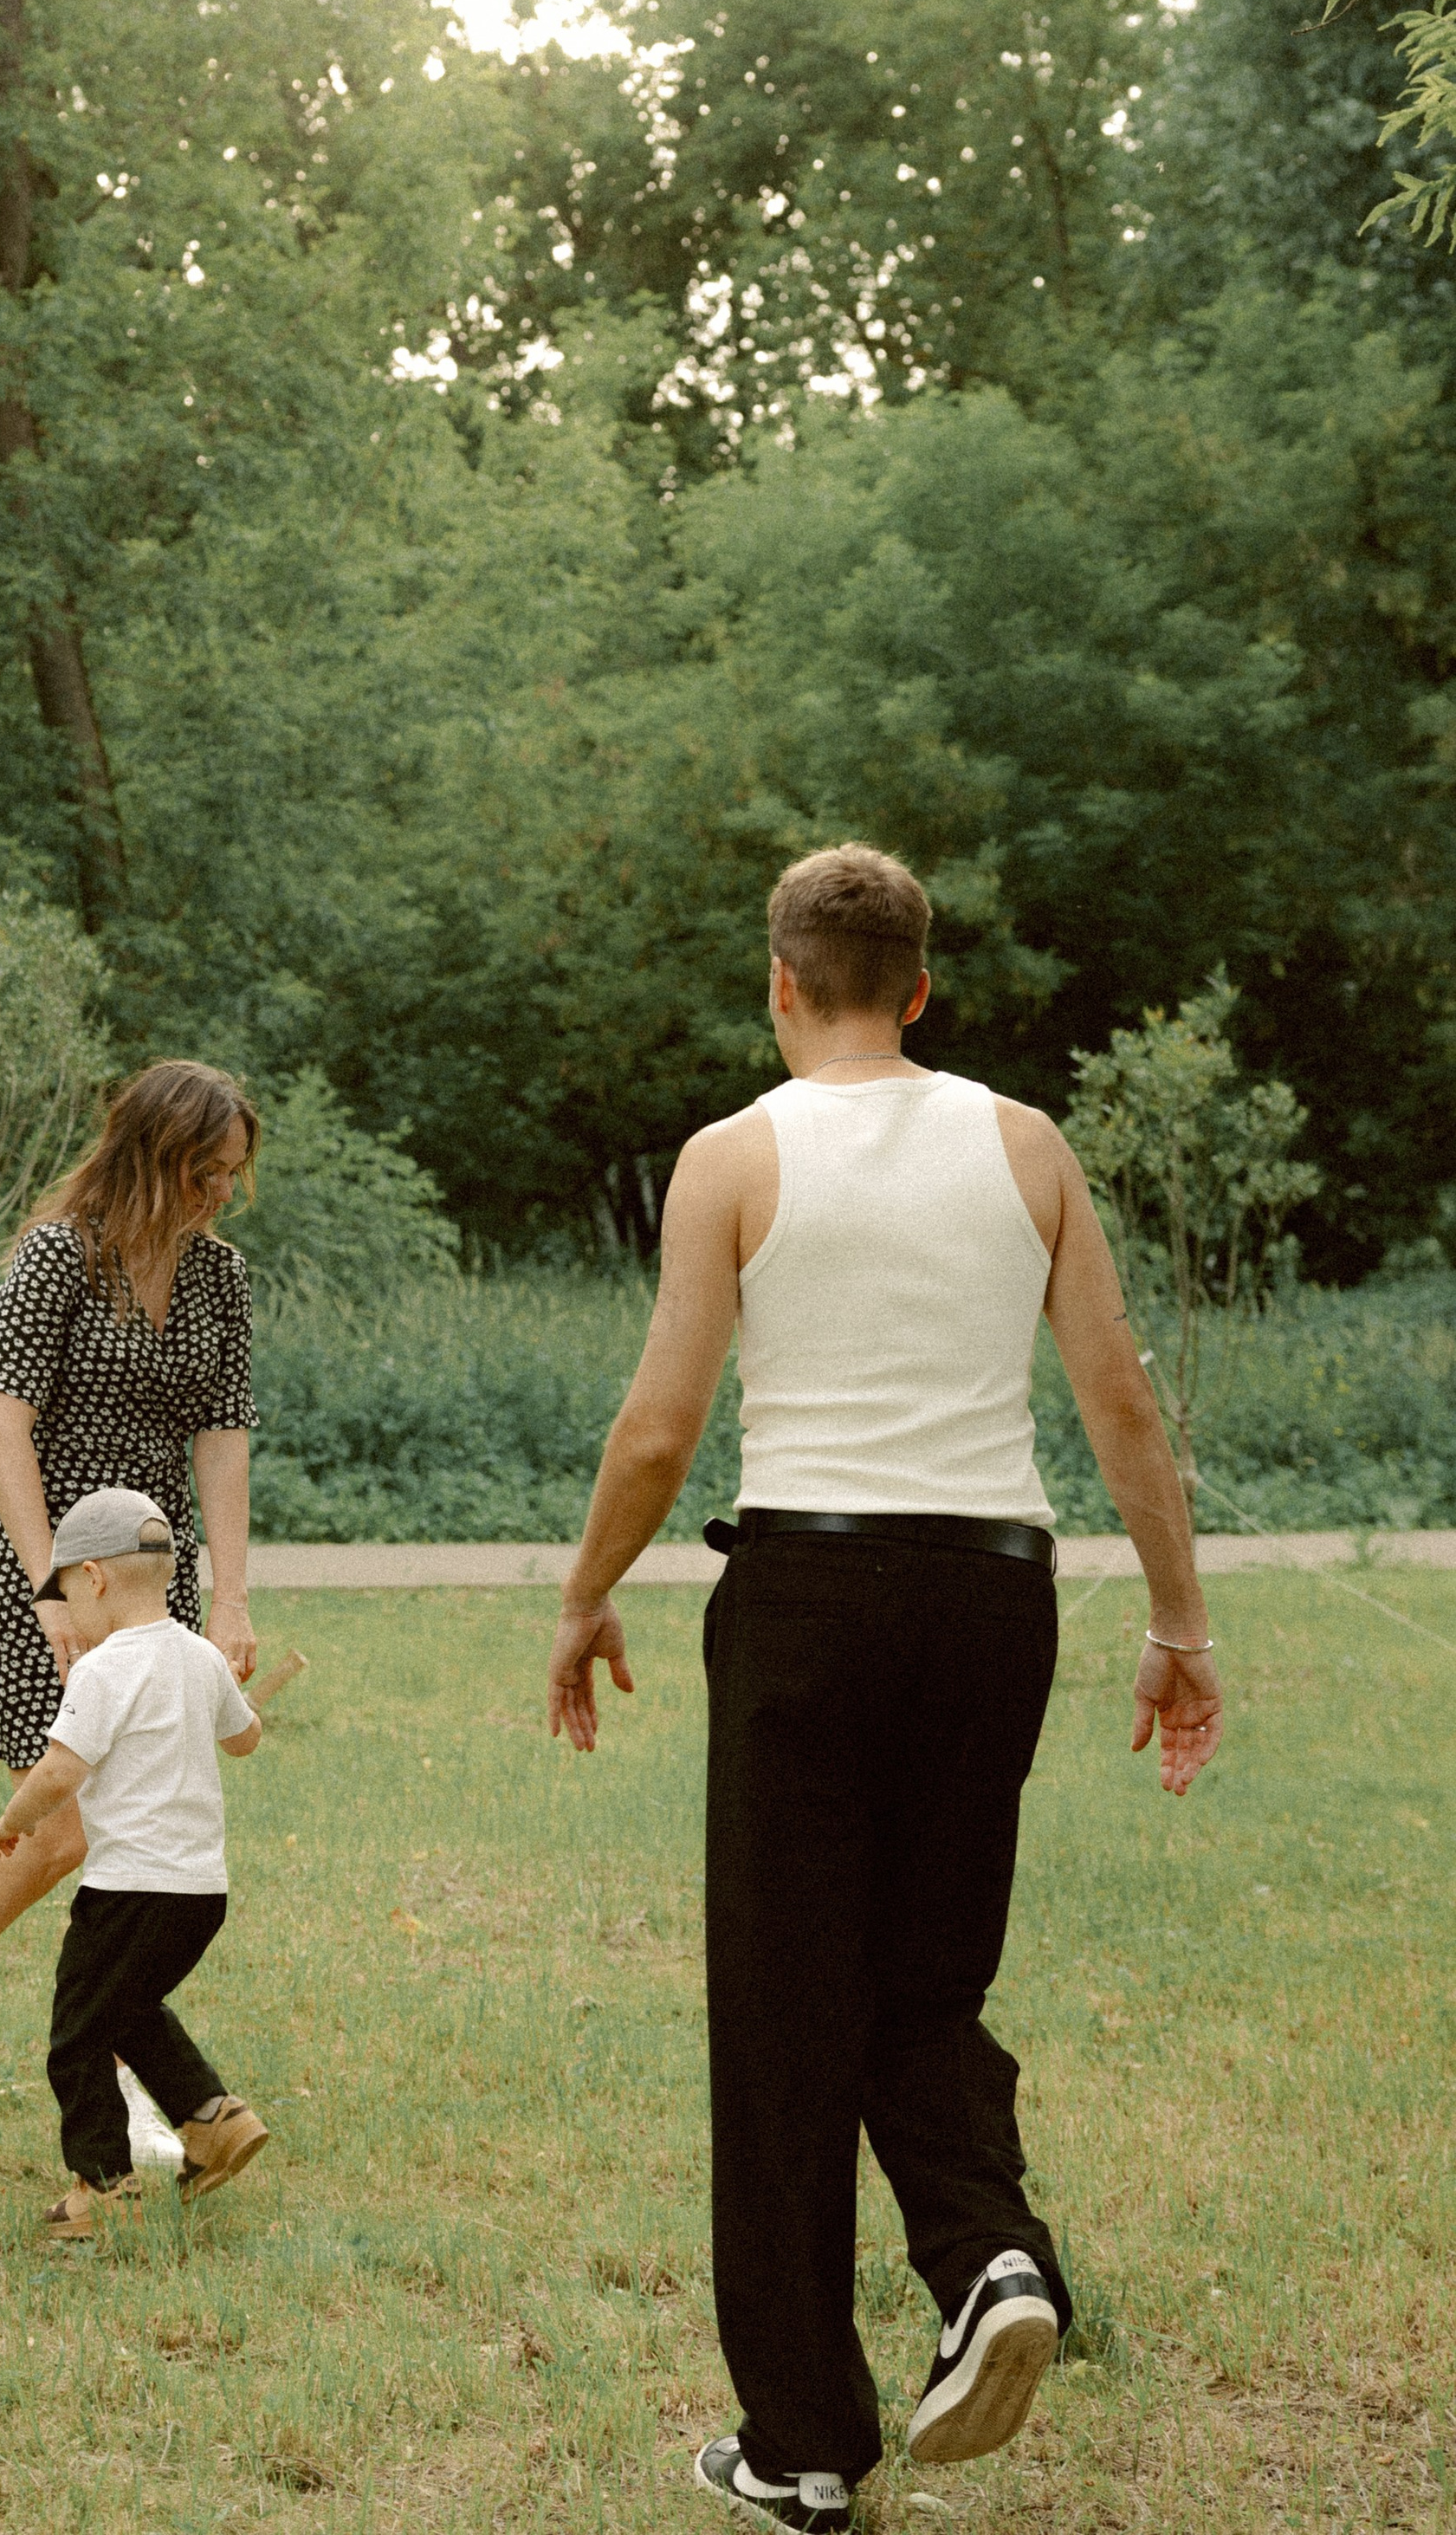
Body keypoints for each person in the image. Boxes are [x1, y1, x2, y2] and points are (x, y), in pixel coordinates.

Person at [545, 846, 1224, 2532]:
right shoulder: (1027, 1145)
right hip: (992, 1594)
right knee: (927, 1978)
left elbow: (659, 1427)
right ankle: (989, 2259)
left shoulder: (730, 1158)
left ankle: (801, 2446)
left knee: (784, 2013)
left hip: (807, 1591)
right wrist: (1177, 1621)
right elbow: (1119, 1401)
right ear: (919, 988)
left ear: (780, 983)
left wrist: (584, 1594)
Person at [0, 1060, 262, 2138]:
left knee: (136, 1839)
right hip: (52, 1578)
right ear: (152, 1156)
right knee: (61, 1836)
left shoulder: (219, 1277)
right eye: (205, 1171)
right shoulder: (58, 1257)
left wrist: (230, 1598)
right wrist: (48, 1591)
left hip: (151, 1591)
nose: (223, 1191)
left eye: (233, 1172)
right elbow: (2, 1424)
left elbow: (222, 1436)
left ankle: (116, 2066)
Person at [0, 1484, 268, 2240]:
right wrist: (232, 1696)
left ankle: (104, 2189)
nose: (69, 1612)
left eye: (66, 1594)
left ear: (95, 1578)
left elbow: (58, 1771)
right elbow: (246, 1739)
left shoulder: (103, 1669)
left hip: (127, 1891)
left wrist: (13, 1822)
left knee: (77, 2033)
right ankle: (215, 2121)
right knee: (129, 2010)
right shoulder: (201, 1657)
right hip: (199, 1894)